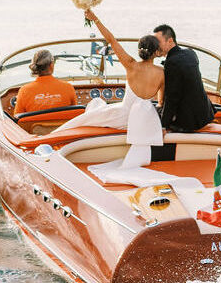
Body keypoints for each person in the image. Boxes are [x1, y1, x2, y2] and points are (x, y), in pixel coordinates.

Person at [54, 9, 164, 170]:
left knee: (91, 110)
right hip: (145, 122)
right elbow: (161, 103)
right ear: (156, 53)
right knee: (97, 106)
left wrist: (94, 18)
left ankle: (52, 137)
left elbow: (111, 40)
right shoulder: (162, 73)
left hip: (122, 118)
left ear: (140, 50)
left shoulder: (131, 65)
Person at [153, 24, 217, 133]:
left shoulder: (171, 63)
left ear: (170, 41)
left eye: (158, 42)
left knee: (151, 113)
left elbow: (172, 97)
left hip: (190, 122)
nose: (156, 46)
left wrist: (163, 126)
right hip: (206, 114)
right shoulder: (190, 53)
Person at [13, 49, 78, 115]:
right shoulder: (68, 87)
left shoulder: (24, 91)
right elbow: (75, 114)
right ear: (51, 65)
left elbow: (18, 118)